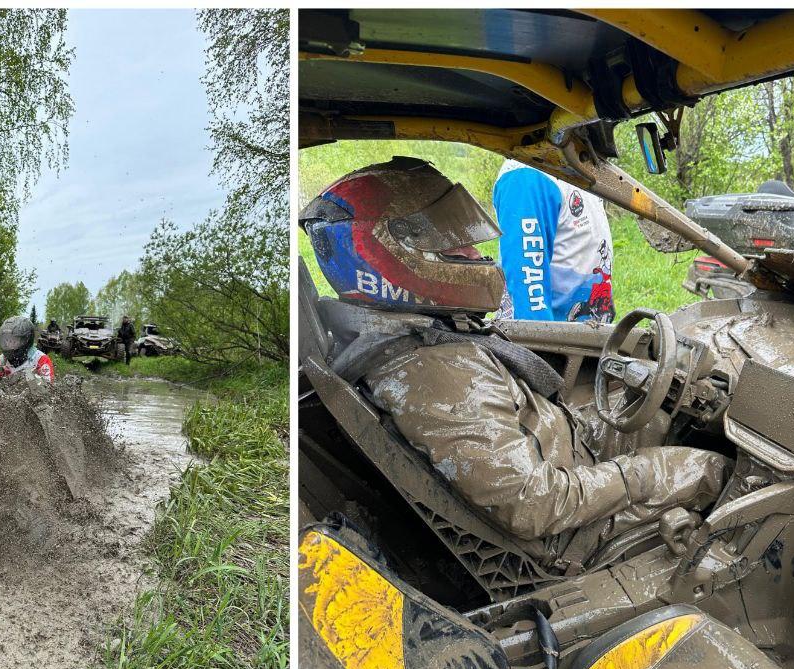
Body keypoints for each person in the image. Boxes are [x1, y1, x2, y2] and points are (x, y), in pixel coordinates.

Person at [300, 158, 728, 568]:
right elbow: (536, 507)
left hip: (565, 452)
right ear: (393, 260)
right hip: (575, 528)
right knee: (723, 470)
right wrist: (646, 475)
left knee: (670, 416)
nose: (473, 254)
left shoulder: (422, 339)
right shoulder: (435, 376)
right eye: (453, 246)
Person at [492, 159, 615, 323]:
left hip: (586, 335)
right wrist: (537, 344)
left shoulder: (574, 166)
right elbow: (528, 288)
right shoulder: (527, 177)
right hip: (552, 342)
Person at [0, 315, 54, 383]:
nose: (9, 344)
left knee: (29, 374)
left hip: (29, 395)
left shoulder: (41, 359)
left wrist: (27, 376)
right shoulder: (2, 359)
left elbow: (48, 388)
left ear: (26, 340)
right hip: (6, 394)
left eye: (14, 340)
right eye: (6, 340)